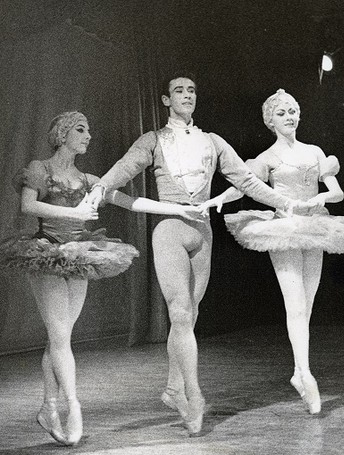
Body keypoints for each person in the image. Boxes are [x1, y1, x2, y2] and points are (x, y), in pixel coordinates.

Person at [87, 75, 314, 435]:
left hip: (203, 233)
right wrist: (101, 185)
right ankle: (193, 395)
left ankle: (173, 387)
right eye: (179, 90)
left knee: (190, 315)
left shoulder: (212, 141)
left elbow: (247, 181)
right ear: (165, 99)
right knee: (179, 313)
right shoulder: (153, 140)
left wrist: (286, 200)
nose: (187, 95)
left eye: (192, 90)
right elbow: (125, 168)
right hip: (171, 230)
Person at [0, 111, 199, 446]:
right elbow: (28, 206)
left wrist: (175, 210)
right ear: (63, 133)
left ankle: (47, 406)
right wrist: (75, 213)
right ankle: (74, 408)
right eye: (81, 130)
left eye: (89, 130)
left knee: (60, 337)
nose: (88, 136)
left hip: (81, 252)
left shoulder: (89, 179)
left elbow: (130, 202)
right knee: (60, 337)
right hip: (47, 253)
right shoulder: (41, 168)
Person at [202, 89, 344, 414]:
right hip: (284, 228)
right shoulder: (266, 158)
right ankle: (305, 373)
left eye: (293, 111)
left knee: (306, 305)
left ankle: (298, 372)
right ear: (270, 120)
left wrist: (320, 199)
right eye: (282, 113)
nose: (290, 116)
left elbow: (337, 192)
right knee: (294, 305)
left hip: (315, 225)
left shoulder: (315, 152)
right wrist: (217, 199)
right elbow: (245, 185)